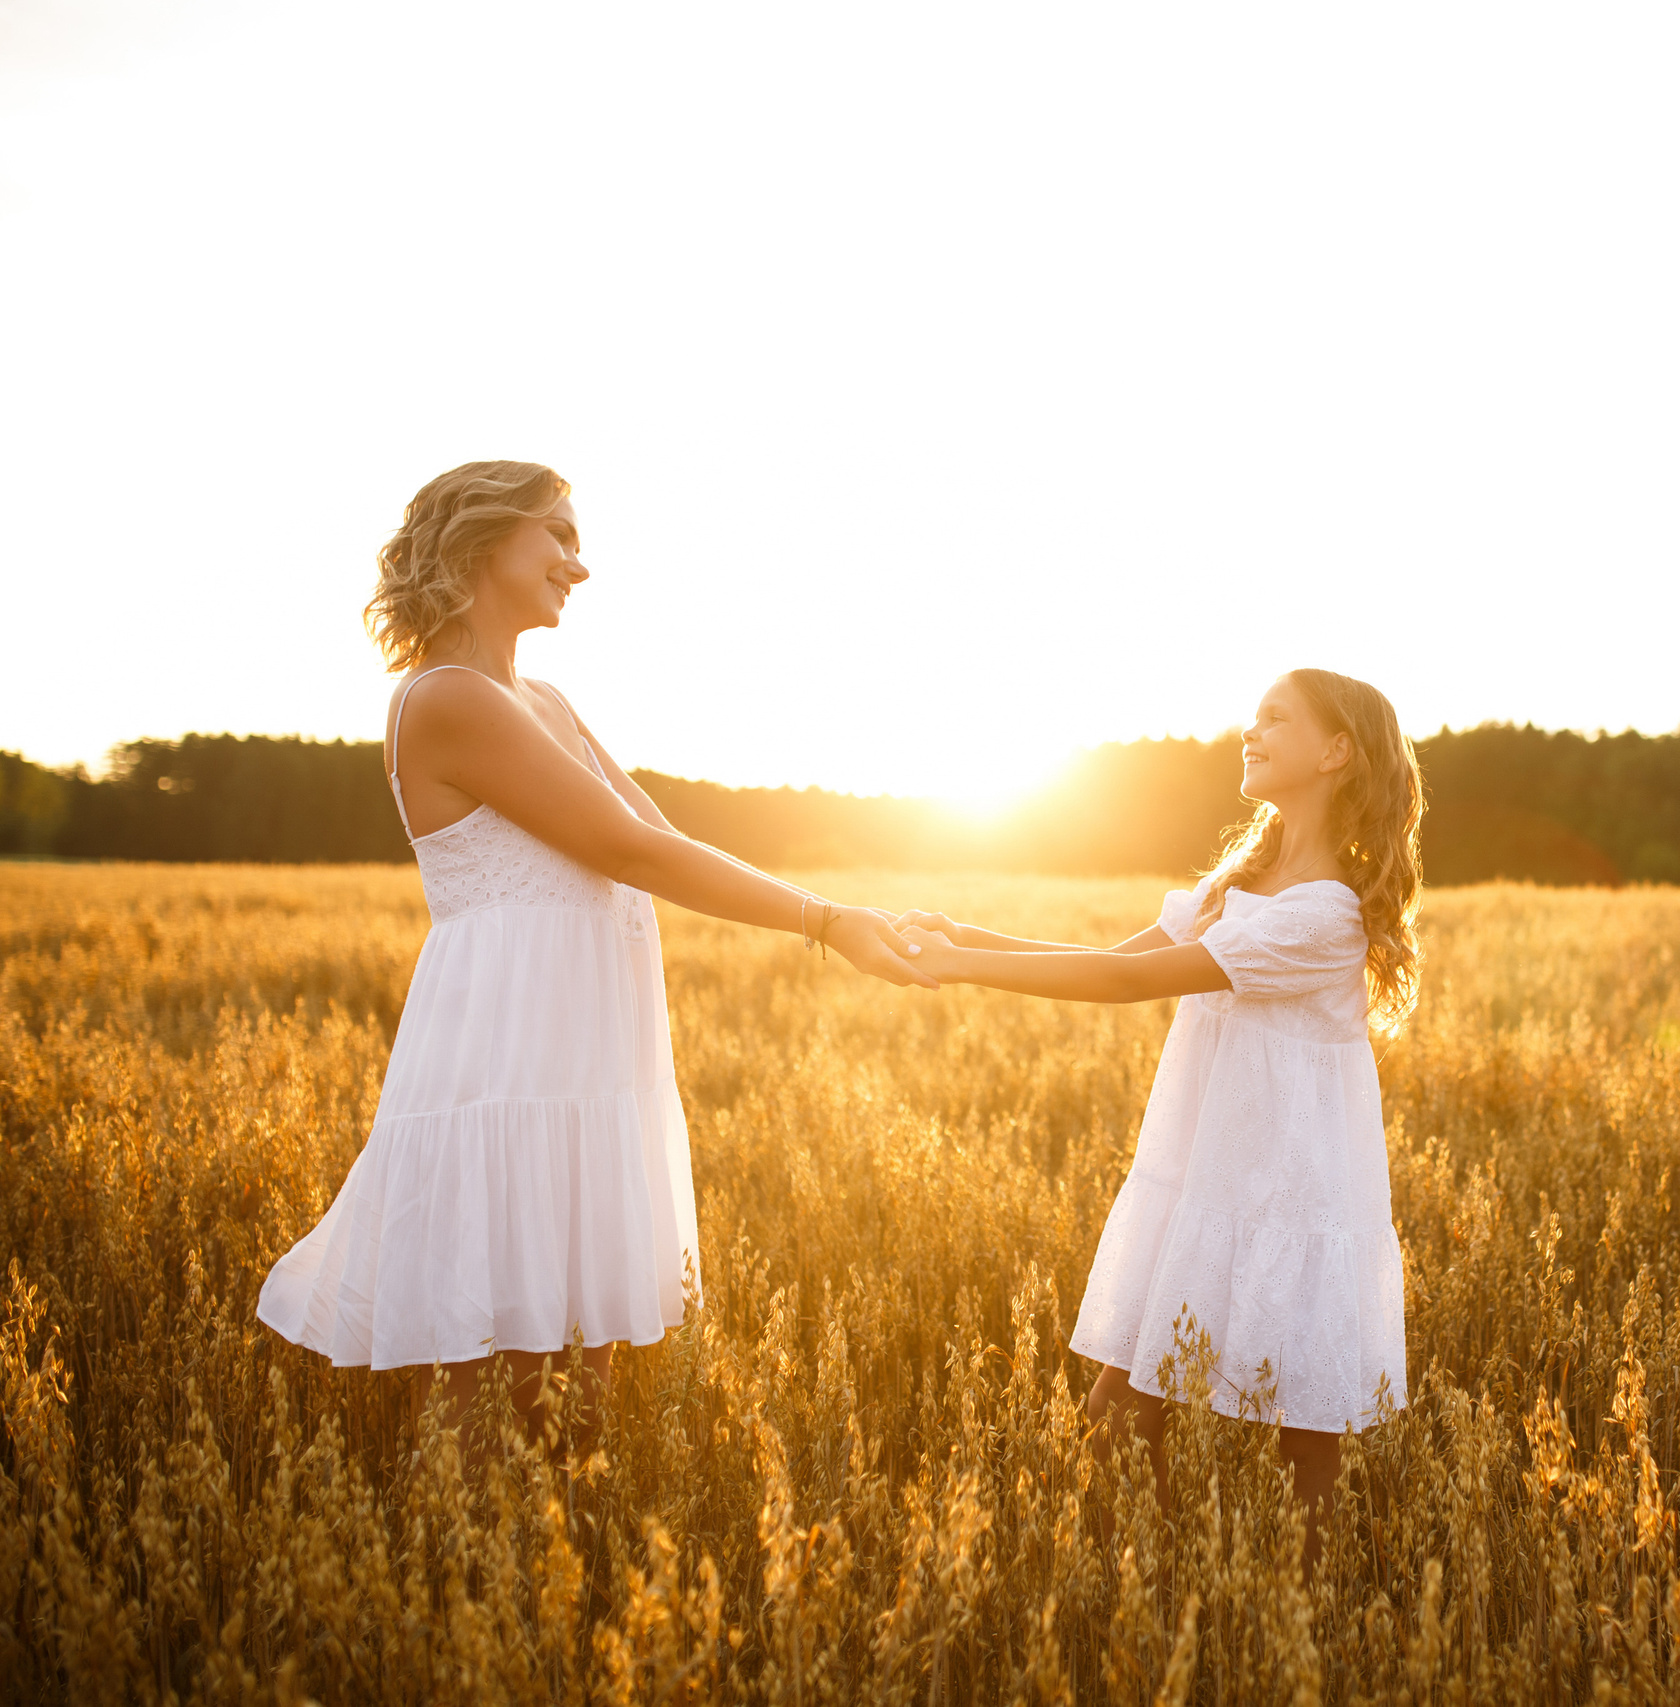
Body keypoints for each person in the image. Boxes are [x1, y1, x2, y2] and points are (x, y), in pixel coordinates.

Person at [256, 460, 930, 1455]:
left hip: (583, 1054)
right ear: (485, 542)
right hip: (508, 1056)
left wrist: (851, 907)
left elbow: (661, 839)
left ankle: (548, 1578)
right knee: (491, 1372)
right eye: (558, 537)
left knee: (578, 1375)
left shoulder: (547, 700)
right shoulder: (447, 699)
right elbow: (631, 851)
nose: (580, 563)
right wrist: (826, 922)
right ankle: (465, 1588)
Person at [893, 668, 1421, 1557]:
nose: (1249, 732)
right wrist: (966, 935)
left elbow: (1127, 982)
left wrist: (961, 963)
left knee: (1307, 1447)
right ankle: (1158, 1595)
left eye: (1275, 719)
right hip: (1206, 1187)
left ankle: (1312, 1627)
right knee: (1120, 1412)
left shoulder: (1326, 916)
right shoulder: (1235, 882)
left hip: (1292, 1198)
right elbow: (1112, 954)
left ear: (1337, 752)